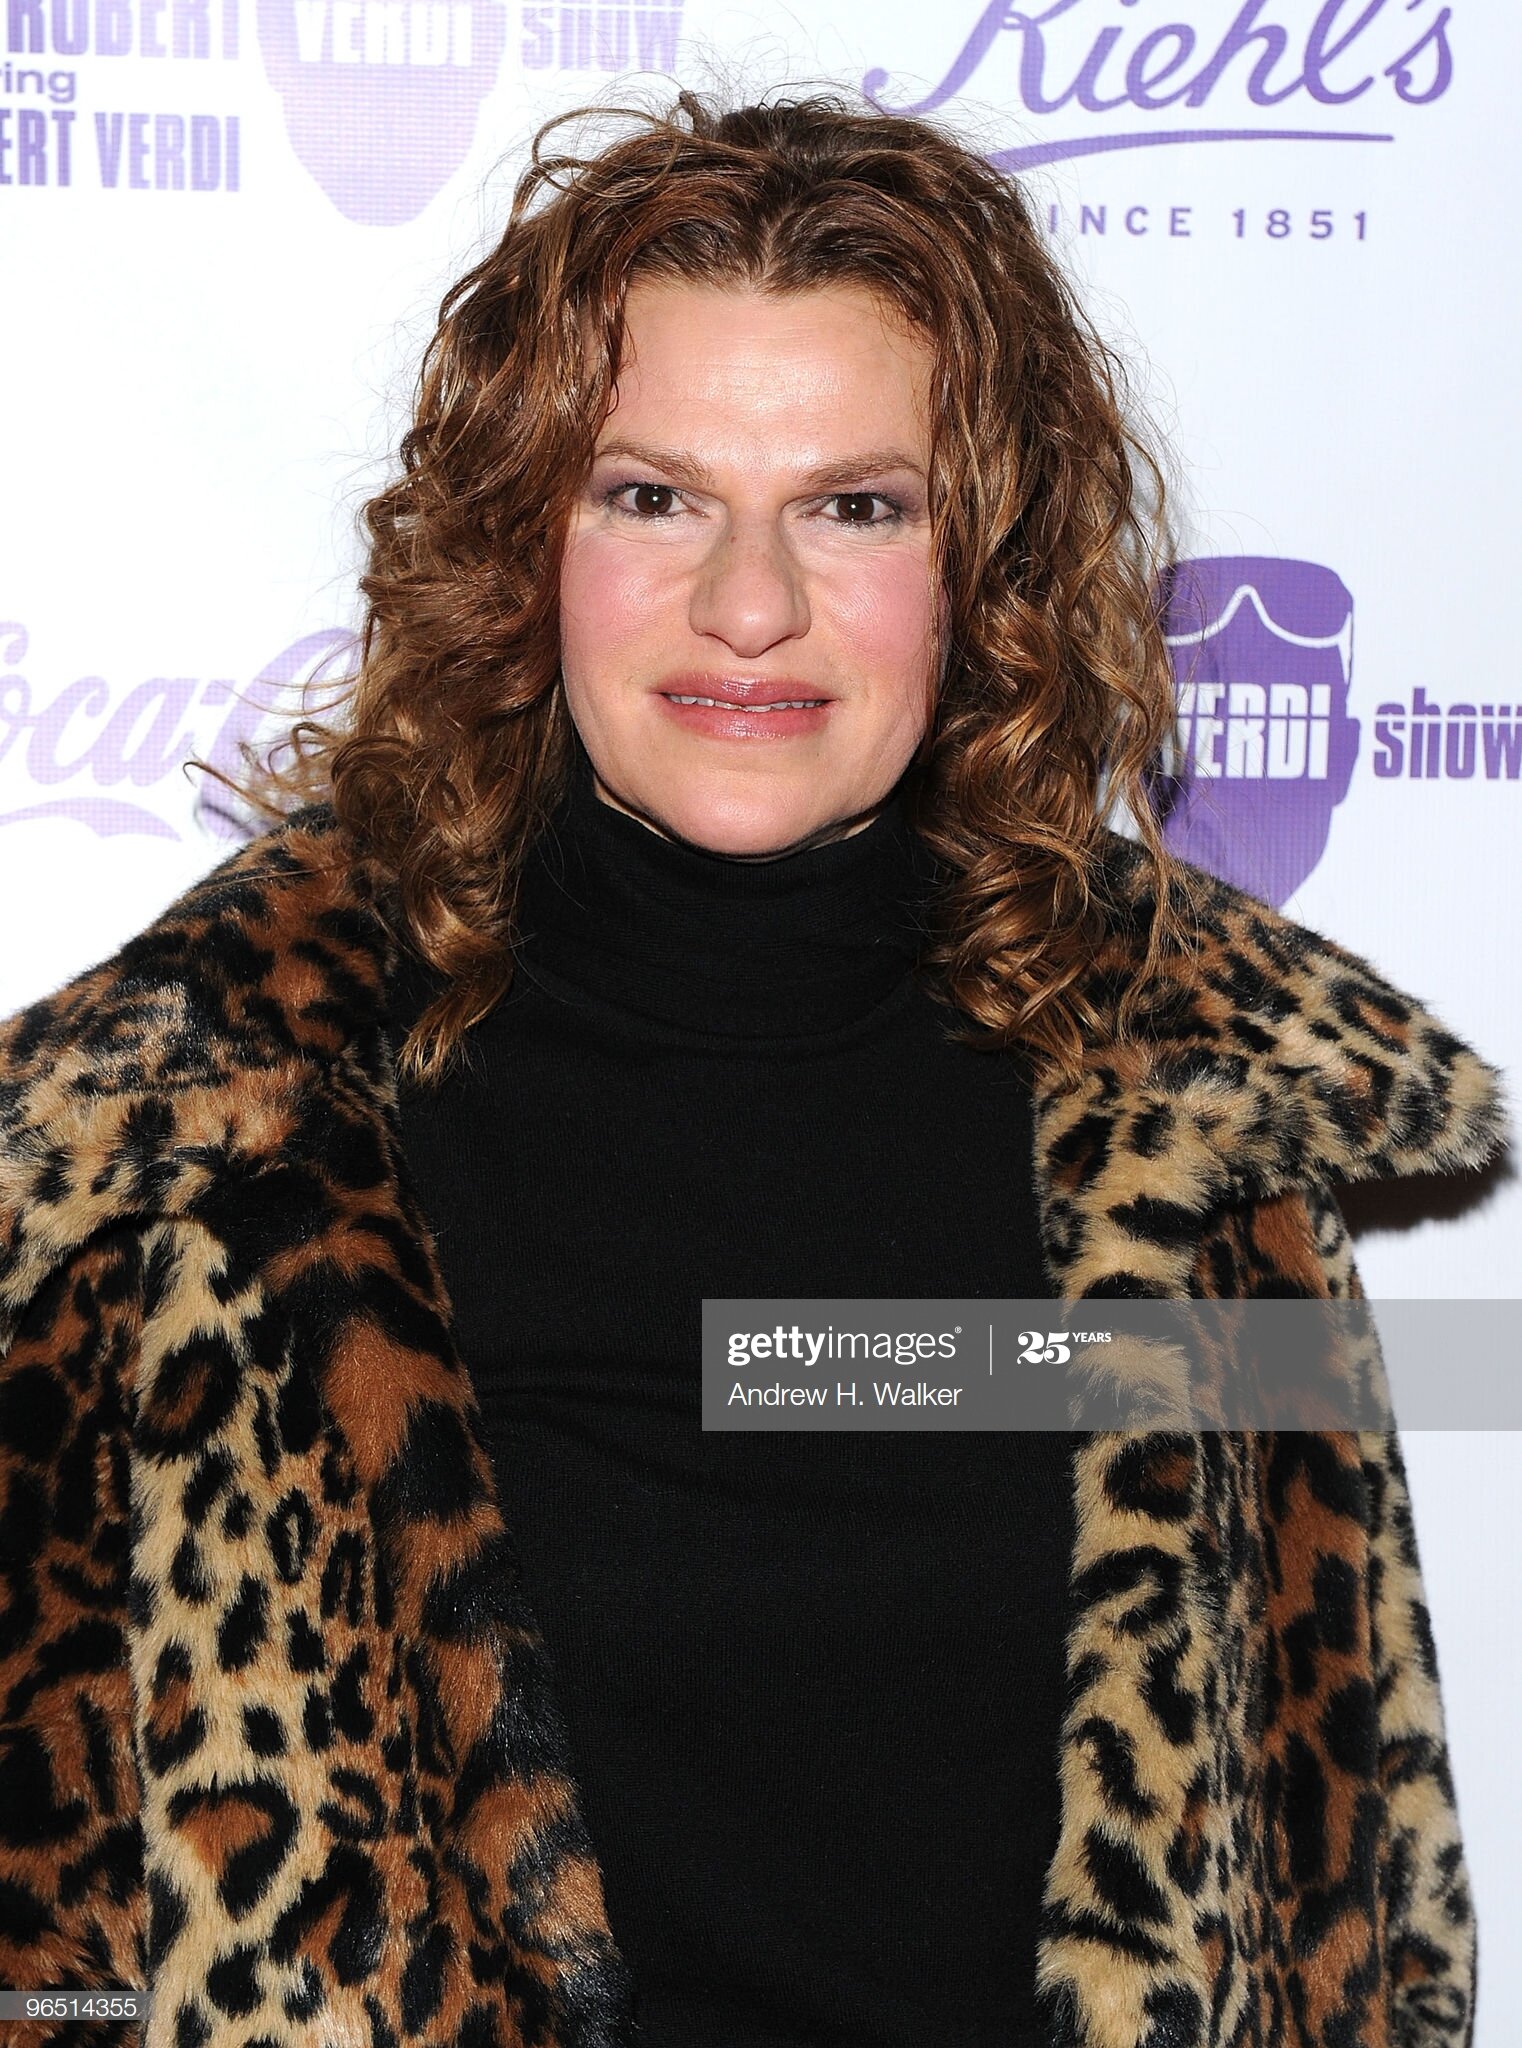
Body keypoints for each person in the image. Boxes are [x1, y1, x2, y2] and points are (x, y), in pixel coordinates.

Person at [0, 87, 1507, 2048]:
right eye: (652, 493)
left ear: (982, 563)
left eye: (852, 505)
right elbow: (54, 1939)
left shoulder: (1191, 1134)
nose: (747, 603)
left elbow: (1349, 1888)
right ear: (520, 534)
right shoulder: (209, 1142)